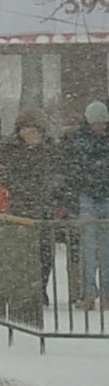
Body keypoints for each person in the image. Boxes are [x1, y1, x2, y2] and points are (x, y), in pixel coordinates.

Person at [67, 103, 109, 303]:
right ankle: (89, 291)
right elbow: (75, 170)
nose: (99, 126)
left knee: (106, 248)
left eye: (102, 123)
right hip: (87, 196)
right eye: (96, 123)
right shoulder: (79, 142)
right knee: (88, 247)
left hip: (105, 196)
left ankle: (106, 291)